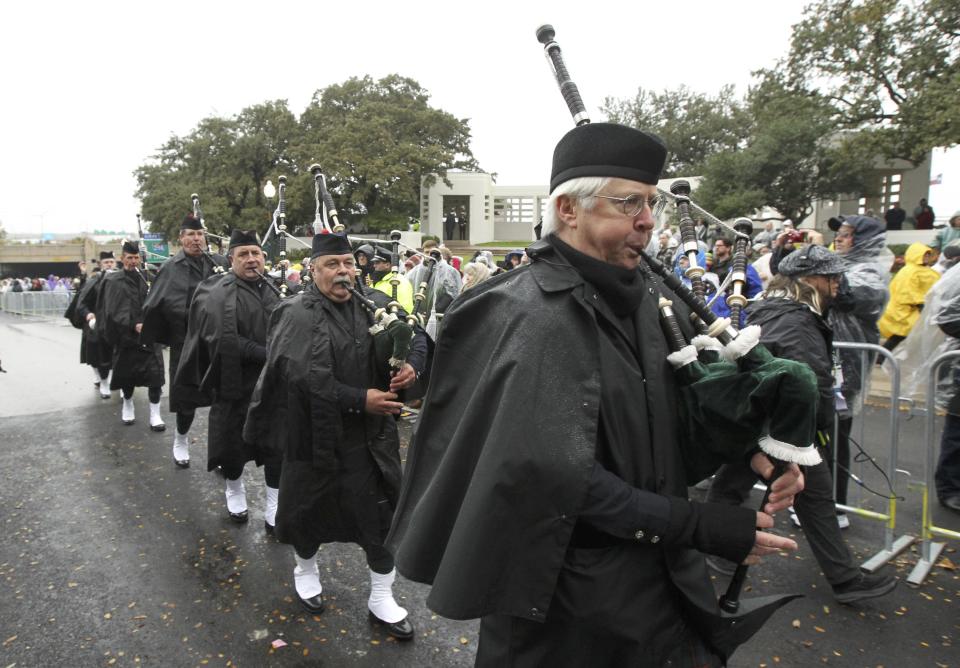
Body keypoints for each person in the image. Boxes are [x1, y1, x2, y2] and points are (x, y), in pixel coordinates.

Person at [387, 122, 805, 666]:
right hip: (566, 609)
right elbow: (556, 478)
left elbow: (669, 411)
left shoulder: (644, 299)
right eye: (629, 202)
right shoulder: (529, 312)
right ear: (568, 209)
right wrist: (701, 525)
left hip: (661, 589)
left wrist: (759, 457)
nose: (648, 221)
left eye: (652, 203)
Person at [244, 232, 428, 640]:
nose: (343, 271)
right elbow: (296, 373)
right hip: (312, 435)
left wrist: (412, 366)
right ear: (313, 270)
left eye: (347, 263)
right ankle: (305, 570)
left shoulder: (376, 305)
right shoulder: (294, 312)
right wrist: (358, 398)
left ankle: (381, 596)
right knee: (307, 512)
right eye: (332, 265)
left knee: (381, 519)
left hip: (369, 440)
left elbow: (417, 338)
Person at [707, 245, 898, 603]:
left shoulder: (785, 311)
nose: (838, 283)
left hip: (768, 425)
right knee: (801, 494)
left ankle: (843, 579)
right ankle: (844, 580)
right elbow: (808, 382)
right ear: (808, 280)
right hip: (780, 429)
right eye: (831, 276)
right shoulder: (794, 319)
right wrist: (820, 426)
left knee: (742, 487)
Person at [175, 230, 282, 526]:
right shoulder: (217, 291)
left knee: (277, 446)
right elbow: (222, 338)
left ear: (264, 257)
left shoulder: (276, 288)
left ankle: (274, 501)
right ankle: (234, 490)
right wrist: (268, 352)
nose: (251, 260)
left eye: (255, 254)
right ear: (231, 259)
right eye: (243, 255)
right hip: (233, 383)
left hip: (272, 384)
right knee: (233, 445)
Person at [141, 215, 228, 468]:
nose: (196, 239)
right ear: (181, 238)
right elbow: (154, 303)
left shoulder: (219, 263)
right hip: (185, 343)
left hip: (217, 344)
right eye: (190, 234)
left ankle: (222, 451)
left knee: (223, 401)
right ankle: (180, 438)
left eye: (200, 234)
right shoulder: (170, 267)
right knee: (186, 399)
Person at [827, 216, 889, 527]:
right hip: (829, 360)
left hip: (845, 368)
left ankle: (834, 507)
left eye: (847, 235)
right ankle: (820, 502)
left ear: (864, 240)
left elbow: (847, 296)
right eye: (838, 234)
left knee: (834, 435)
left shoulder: (869, 272)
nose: (839, 239)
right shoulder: (842, 266)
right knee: (820, 434)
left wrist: (817, 270)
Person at [98, 241, 165, 430]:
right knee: (128, 377)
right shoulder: (113, 281)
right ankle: (128, 404)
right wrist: (132, 324)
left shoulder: (149, 278)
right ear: (122, 259)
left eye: (136, 258)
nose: (133, 261)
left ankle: (155, 414)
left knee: (155, 377)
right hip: (126, 338)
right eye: (129, 258)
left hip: (150, 337)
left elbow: (160, 304)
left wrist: (152, 324)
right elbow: (111, 310)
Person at [878, 242, 940, 351]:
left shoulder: (930, 271)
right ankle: (883, 355)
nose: (926, 257)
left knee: (908, 333)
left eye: (928, 255)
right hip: (906, 309)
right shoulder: (909, 271)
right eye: (924, 254)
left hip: (924, 307)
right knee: (904, 332)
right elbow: (907, 292)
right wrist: (921, 303)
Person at [78, 252, 118, 399]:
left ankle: (120, 385)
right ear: (101, 264)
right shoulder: (94, 281)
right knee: (100, 356)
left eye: (111, 262)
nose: (109, 264)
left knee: (119, 355)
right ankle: (104, 383)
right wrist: (88, 315)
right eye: (106, 262)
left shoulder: (123, 279)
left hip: (118, 324)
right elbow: (82, 303)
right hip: (98, 324)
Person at [368, 248, 414, 313]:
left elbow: (405, 310)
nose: (374, 265)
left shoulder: (400, 282)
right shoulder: (378, 279)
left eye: (377, 263)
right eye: (374, 263)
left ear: (387, 265)